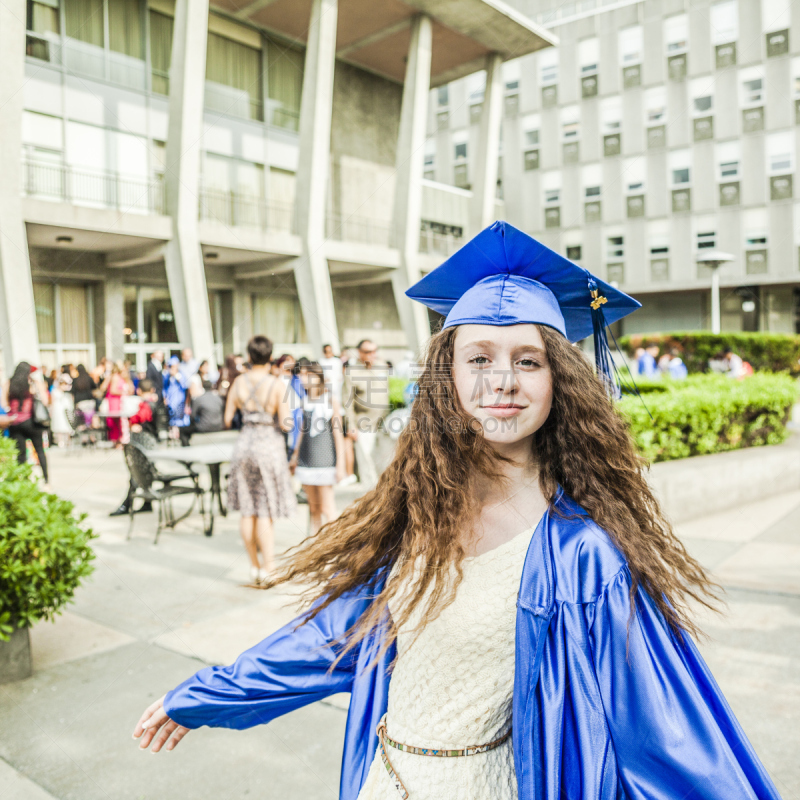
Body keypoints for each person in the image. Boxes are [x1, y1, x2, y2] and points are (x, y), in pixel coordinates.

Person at [133, 222, 782, 800]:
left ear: (559, 380)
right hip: (381, 778)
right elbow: (332, 636)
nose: (501, 381)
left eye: (527, 361)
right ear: (447, 376)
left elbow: (665, 735)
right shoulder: (423, 510)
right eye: (479, 359)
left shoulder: (585, 555)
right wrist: (203, 695)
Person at [223, 336, 296, 584]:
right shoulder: (277, 384)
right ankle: (270, 568)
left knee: (247, 509)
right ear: (270, 355)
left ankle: (254, 566)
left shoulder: (239, 382)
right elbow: (287, 425)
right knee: (265, 509)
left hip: (244, 444)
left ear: (250, 355)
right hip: (268, 446)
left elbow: (227, 418)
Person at [289, 362, 346, 534]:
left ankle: (334, 545)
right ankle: (315, 544)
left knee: (328, 507)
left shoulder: (330, 400)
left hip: (325, 459)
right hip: (307, 458)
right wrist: (295, 456)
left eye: (308, 374)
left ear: (318, 376)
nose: (304, 378)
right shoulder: (305, 401)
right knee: (313, 509)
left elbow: (338, 434)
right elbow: (302, 432)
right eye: (302, 375)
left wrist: (341, 465)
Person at [342, 338, 391, 487]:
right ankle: (370, 496)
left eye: (375, 351)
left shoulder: (383, 367)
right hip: (363, 423)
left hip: (385, 423)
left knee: (384, 461)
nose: (372, 355)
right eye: (368, 352)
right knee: (367, 463)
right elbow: (347, 402)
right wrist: (350, 425)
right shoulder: (351, 373)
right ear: (360, 353)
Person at [5, 362, 50, 485]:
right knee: (40, 451)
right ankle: (46, 479)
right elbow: (45, 401)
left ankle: (24, 482)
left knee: (21, 455)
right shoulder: (32, 383)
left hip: (14, 423)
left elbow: (4, 403)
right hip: (31, 422)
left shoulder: (9, 383)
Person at [178, 376, 225, 446]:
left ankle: (186, 447)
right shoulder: (218, 398)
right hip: (219, 426)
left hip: (204, 427)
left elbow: (192, 416)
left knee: (183, 430)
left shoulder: (199, 399)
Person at [98, 362, 129, 448]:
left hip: (118, 401)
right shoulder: (115, 377)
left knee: (118, 421)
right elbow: (112, 390)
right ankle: (116, 441)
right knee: (115, 420)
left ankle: (119, 440)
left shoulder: (117, 376)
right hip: (115, 401)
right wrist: (123, 392)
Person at [163, 356, 190, 440]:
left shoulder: (181, 375)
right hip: (171, 402)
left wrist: (177, 376)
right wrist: (165, 398)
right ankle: (173, 436)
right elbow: (164, 388)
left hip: (179, 402)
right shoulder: (167, 377)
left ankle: (182, 436)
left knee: (180, 420)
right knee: (172, 420)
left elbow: (185, 386)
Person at [49, 369, 74, 447]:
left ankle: (68, 441)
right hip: (58, 411)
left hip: (66, 411)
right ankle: (60, 442)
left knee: (67, 425)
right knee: (59, 425)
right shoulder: (55, 391)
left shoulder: (68, 394)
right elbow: (52, 402)